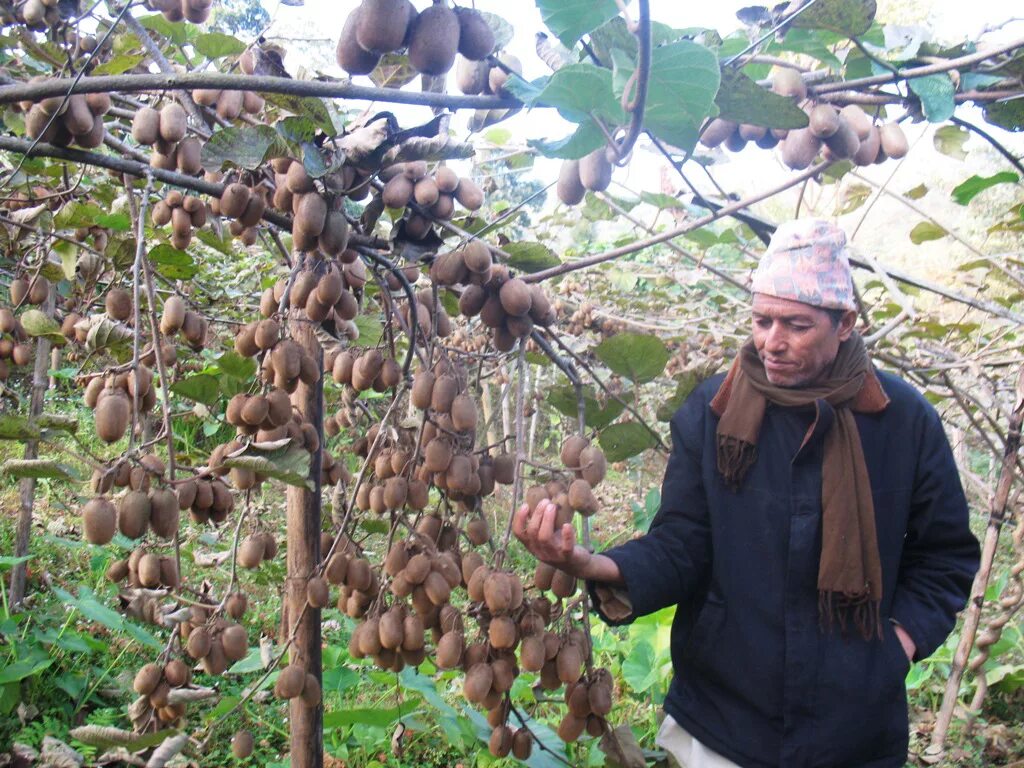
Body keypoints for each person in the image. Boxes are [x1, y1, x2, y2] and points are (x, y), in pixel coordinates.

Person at [513, 219, 981, 768]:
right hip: (723, 714)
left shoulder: (902, 421)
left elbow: (945, 555)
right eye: (762, 320)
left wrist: (894, 646)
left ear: (845, 324)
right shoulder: (715, 410)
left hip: (853, 725)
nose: (771, 342)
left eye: (796, 325)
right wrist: (594, 564)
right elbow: (685, 542)